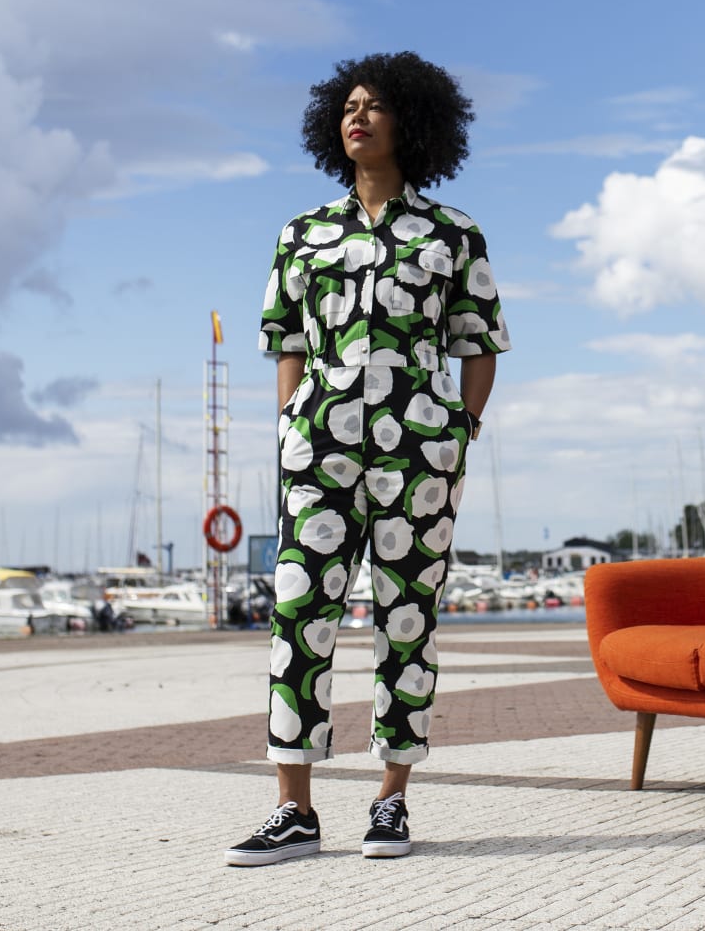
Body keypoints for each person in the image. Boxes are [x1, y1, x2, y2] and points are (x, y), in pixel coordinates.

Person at [226, 52, 509, 866]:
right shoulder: (302, 233)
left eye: (375, 105)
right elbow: (284, 337)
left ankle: (391, 800)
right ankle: (293, 810)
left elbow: (480, 342)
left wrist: (460, 429)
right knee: (297, 616)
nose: (358, 115)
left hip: (420, 450)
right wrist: (291, 421)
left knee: (406, 619)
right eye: (348, 105)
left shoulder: (453, 233)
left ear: (411, 123)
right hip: (318, 447)